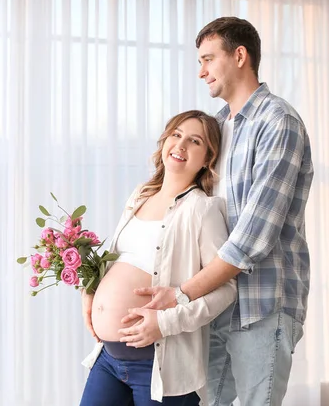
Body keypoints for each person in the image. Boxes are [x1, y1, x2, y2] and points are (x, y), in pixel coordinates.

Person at [122, 17, 314, 405]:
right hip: (214, 305)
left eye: (208, 59)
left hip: (262, 305)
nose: (201, 71)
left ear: (239, 56)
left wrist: (181, 295)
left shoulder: (278, 122)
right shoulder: (219, 129)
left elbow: (252, 238)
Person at [79, 110, 238, 406]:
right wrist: (90, 290)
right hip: (108, 358)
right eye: (176, 135)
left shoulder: (202, 210)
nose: (181, 146)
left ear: (207, 159)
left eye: (194, 141)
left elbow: (226, 290)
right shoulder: (140, 194)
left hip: (159, 366)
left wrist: (165, 323)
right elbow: (118, 260)